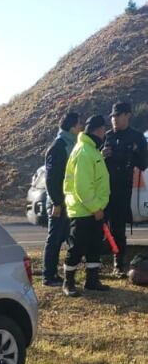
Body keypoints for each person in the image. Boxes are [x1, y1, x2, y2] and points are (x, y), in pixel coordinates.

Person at [62, 114, 110, 296]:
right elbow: (83, 187)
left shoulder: (91, 150)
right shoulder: (84, 151)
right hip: (84, 211)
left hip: (91, 210)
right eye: (104, 129)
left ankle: (92, 280)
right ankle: (68, 283)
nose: (105, 133)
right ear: (98, 130)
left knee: (93, 247)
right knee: (77, 248)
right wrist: (96, 208)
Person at [103, 101, 148, 275]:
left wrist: (129, 156)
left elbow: (143, 163)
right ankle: (94, 262)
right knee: (96, 225)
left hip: (122, 188)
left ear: (127, 115)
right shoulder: (106, 136)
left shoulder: (136, 137)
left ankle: (118, 263)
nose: (114, 120)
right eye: (112, 116)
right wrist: (102, 155)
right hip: (102, 188)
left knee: (118, 228)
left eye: (118, 116)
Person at [42, 111, 83, 286]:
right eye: (79, 124)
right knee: (54, 239)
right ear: (73, 127)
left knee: (62, 237)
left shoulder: (71, 144)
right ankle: (48, 276)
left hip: (67, 201)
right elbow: (51, 179)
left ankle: (56, 274)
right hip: (58, 202)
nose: (81, 127)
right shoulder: (59, 146)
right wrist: (57, 202)